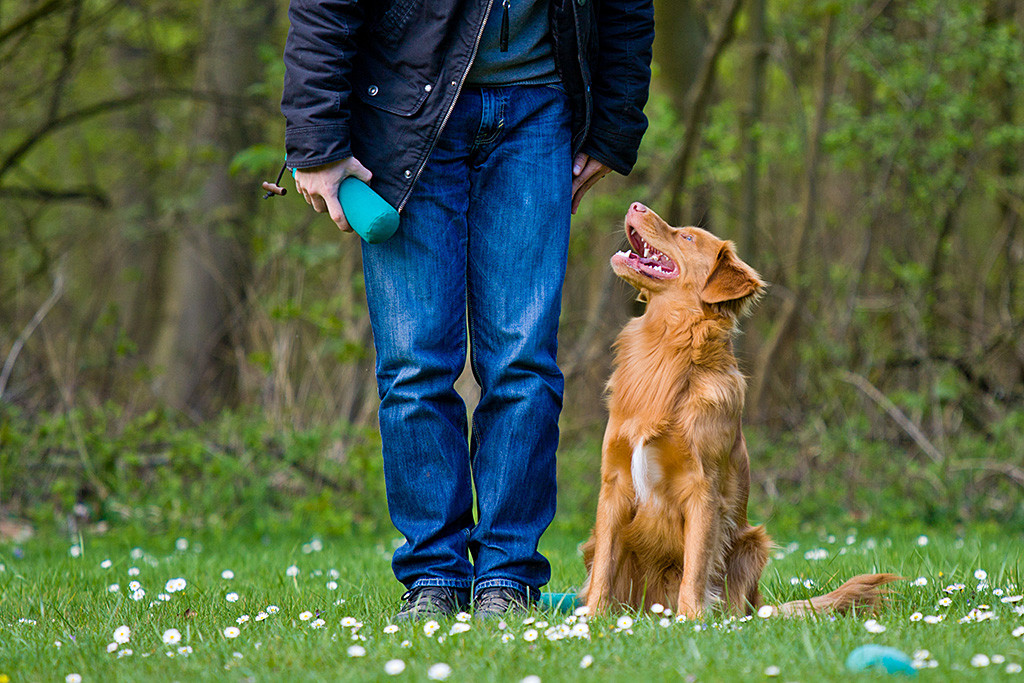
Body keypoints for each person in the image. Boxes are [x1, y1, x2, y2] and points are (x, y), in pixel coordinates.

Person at [281, 0, 654, 620]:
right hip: (406, 111)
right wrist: (317, 140)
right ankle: (433, 578)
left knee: (522, 363)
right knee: (414, 364)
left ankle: (508, 579)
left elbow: (626, 7)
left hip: (540, 110)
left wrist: (613, 126)